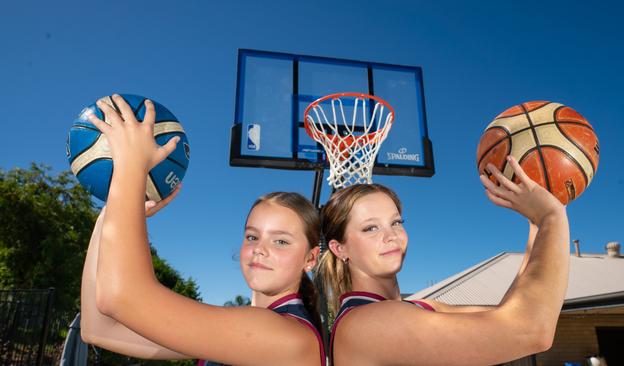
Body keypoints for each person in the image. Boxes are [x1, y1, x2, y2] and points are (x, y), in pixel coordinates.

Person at [81, 94, 325, 366]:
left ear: (310, 258)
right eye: (252, 236)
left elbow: (120, 297)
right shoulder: (229, 332)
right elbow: (98, 329)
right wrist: (109, 213)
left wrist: (131, 165)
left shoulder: (290, 337)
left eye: (281, 241)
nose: (260, 249)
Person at [315, 157, 570, 366]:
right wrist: (551, 215)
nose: (390, 235)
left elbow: (509, 313)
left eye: (395, 222)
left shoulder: (418, 308)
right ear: (340, 248)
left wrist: (536, 224)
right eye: (370, 228)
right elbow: (530, 330)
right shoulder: (364, 322)